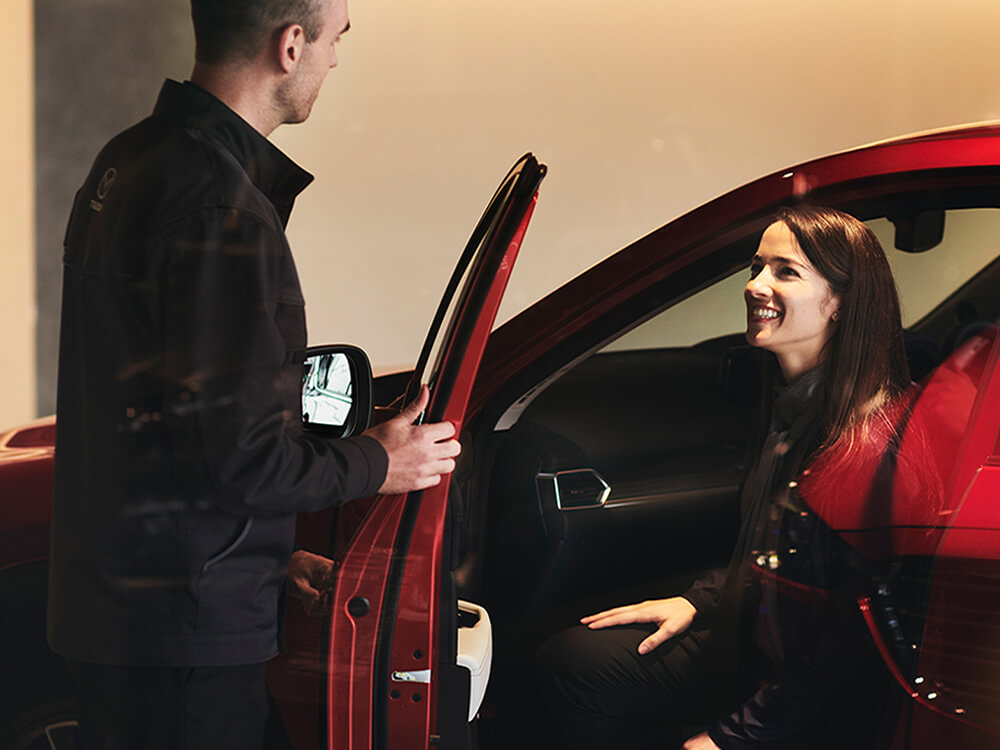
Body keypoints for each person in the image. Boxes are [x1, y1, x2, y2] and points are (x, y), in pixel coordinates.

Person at [47, 1, 460, 748]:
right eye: (337, 40)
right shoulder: (219, 207)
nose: (335, 60)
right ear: (291, 43)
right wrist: (380, 461)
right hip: (181, 635)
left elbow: (166, 425)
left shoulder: (131, 158)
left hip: (131, 606)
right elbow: (242, 457)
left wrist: (267, 560)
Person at [539, 205, 917, 749]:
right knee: (571, 659)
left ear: (840, 302)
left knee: (575, 671)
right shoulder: (794, 403)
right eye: (757, 266)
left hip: (803, 686)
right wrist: (701, 599)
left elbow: (848, 640)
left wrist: (732, 737)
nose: (755, 285)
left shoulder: (865, 442)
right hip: (757, 635)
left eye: (785, 271)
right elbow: (770, 555)